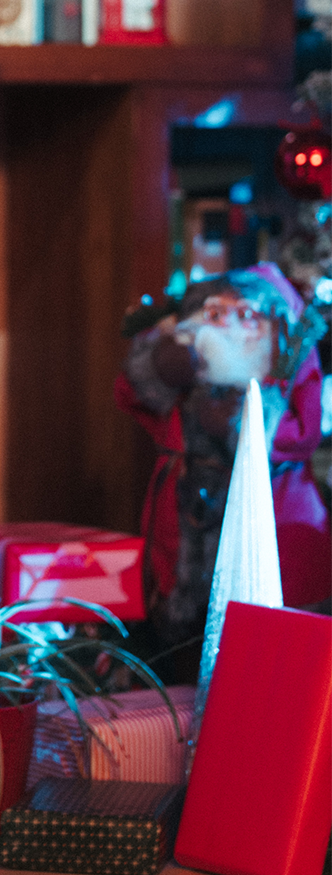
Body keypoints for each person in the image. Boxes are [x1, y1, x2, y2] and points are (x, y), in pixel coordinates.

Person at [116, 262, 328, 669]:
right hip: (183, 525)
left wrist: (243, 423)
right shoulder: (190, 378)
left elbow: (303, 431)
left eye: (246, 314)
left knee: (271, 648)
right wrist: (162, 365)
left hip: (273, 518)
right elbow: (132, 394)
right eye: (215, 313)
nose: (228, 324)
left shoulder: (287, 363)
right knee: (179, 645)